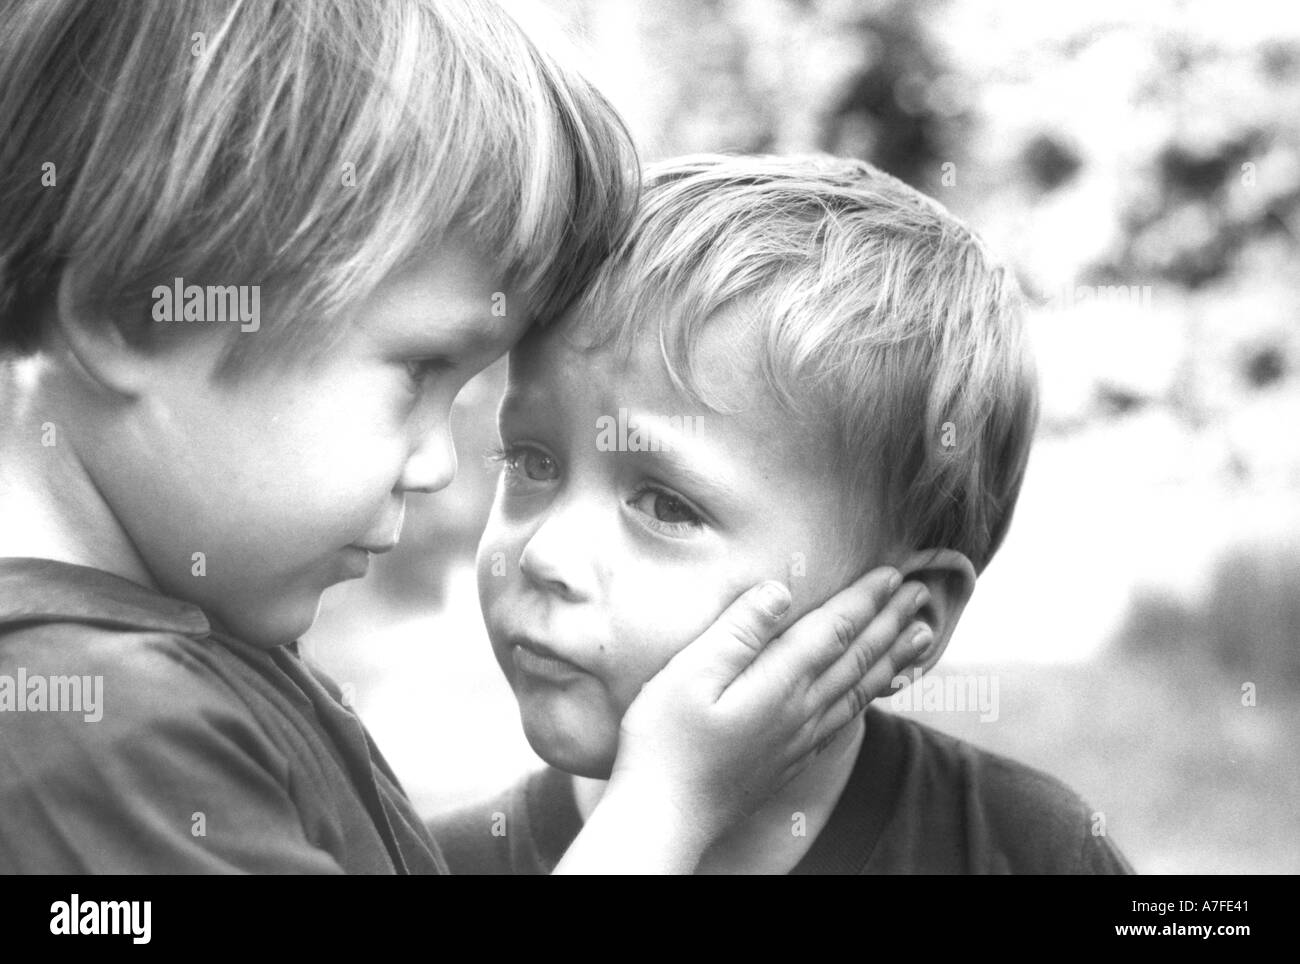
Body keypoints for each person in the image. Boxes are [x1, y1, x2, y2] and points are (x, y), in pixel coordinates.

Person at [0, 3, 918, 874]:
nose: (440, 466)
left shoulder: (161, 655)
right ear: (132, 314)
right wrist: (667, 807)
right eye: (417, 371)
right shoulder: (92, 727)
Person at [432, 154, 1136, 874]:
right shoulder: (428, 861)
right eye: (531, 463)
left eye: (666, 505)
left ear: (906, 617)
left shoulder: (1032, 854)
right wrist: (661, 812)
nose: (545, 553)